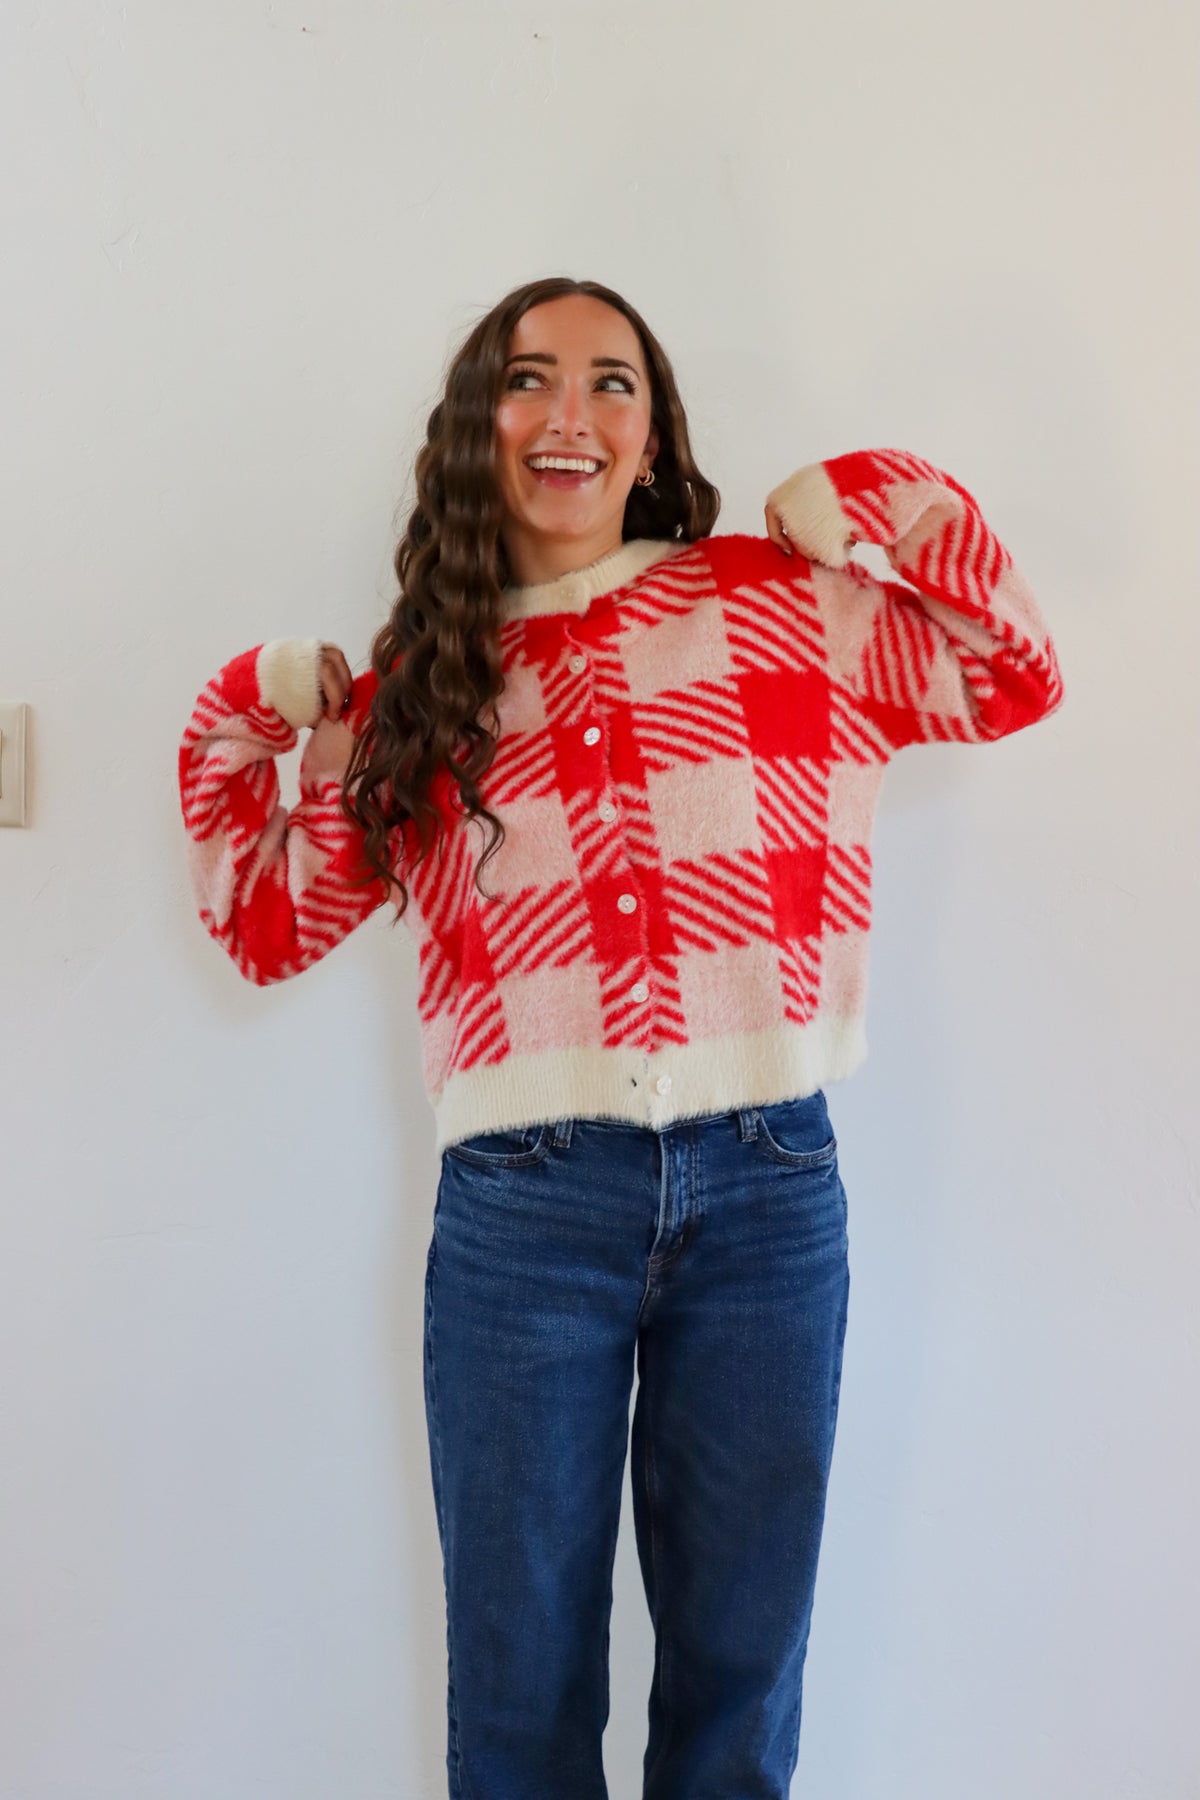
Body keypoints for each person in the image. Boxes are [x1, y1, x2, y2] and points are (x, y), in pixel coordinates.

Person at [178, 276, 1065, 1798]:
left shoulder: (787, 605)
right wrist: (252, 704)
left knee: (742, 1676)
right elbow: (262, 920)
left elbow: (1012, 669)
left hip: (773, 1192)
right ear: (479, 429)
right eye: (528, 381)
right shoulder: (419, 694)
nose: (569, 415)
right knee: (520, 1699)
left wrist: (868, 494)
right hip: (526, 1216)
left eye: (612, 382)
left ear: (653, 435)